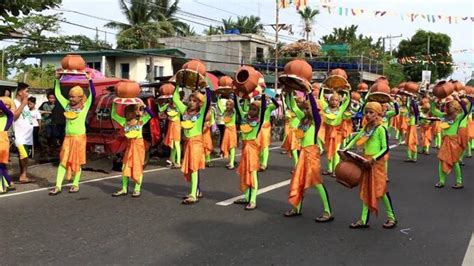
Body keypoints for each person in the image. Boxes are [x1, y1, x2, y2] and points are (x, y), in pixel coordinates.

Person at [343, 102, 397, 229]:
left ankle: (391, 218)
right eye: (366, 112)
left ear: (378, 114)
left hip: (377, 163)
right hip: (365, 162)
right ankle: (363, 219)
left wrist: (373, 158)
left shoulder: (381, 129)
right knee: (366, 189)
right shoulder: (366, 127)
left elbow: (385, 148)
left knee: (381, 190)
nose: (367, 115)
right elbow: (356, 139)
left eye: (371, 112)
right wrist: (345, 149)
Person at [283, 91, 333, 222]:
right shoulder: (303, 120)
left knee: (317, 182)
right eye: (304, 108)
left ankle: (328, 212)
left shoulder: (317, 121)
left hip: (312, 154)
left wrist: (310, 92)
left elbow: (315, 113)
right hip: (302, 153)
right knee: (298, 180)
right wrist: (288, 92)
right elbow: (293, 107)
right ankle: (296, 208)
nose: (305, 110)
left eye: (308, 108)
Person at [49, 75, 95, 195]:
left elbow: (93, 94)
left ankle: (75, 184)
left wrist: (89, 80)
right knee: (63, 161)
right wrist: (57, 79)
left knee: (77, 161)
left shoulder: (85, 107)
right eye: (69, 96)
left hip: (80, 138)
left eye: (73, 97)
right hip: (68, 139)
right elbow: (58, 93)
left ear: (80, 98)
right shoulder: (67, 105)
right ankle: (58, 186)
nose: (70, 99)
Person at [172, 86, 211, 204]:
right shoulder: (184, 110)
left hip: (197, 142)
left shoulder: (202, 112)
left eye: (195, 101)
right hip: (188, 143)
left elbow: (208, 101)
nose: (191, 102)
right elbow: (175, 98)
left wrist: (207, 88)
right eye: (190, 100)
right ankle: (197, 190)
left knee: (194, 168)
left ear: (200, 103)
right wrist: (177, 85)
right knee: (192, 168)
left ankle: (193, 194)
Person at [111, 102, 153, 197]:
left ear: (135, 113)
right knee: (124, 167)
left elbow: (152, 115)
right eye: (127, 112)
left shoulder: (141, 120)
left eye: (130, 112)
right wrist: (114, 103)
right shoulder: (124, 121)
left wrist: (145, 107)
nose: (128, 114)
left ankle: (137, 189)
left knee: (138, 167)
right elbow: (113, 115)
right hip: (129, 146)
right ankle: (124, 188)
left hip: (138, 145)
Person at [233, 93, 267, 210]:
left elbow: (263, 111)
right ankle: (247, 197)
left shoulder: (259, 121)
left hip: (252, 151)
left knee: (253, 175)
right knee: (244, 173)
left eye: (254, 109)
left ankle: (253, 200)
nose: (250, 111)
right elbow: (237, 106)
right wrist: (235, 93)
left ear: (258, 112)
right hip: (244, 150)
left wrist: (262, 94)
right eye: (250, 109)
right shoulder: (244, 118)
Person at [430, 96, 469, 189]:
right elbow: (434, 111)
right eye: (446, 106)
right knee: (442, 160)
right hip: (445, 141)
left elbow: (466, 112)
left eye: (448, 106)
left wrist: (459, 100)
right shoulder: (443, 116)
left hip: (453, 141)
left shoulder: (458, 117)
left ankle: (459, 182)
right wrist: (433, 102)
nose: (446, 108)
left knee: (455, 162)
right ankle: (441, 181)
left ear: (455, 108)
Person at [320, 91, 350, 176]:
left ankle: (335, 170)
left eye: (336, 100)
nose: (334, 102)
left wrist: (348, 91)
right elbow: (321, 98)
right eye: (332, 100)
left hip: (337, 133)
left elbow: (347, 101)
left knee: (336, 151)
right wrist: (322, 88)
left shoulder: (341, 109)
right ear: (329, 101)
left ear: (339, 101)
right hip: (328, 132)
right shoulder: (326, 108)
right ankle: (329, 169)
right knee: (329, 150)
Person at [12, 82, 35, 183]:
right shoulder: (14, 103)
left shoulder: (25, 104)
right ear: (20, 92)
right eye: (27, 91)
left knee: (26, 157)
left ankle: (23, 175)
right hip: (19, 136)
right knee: (23, 155)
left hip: (28, 137)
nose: (28, 93)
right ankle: (22, 176)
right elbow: (14, 116)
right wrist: (23, 104)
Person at [158, 98, 181, 168]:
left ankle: (178, 162)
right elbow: (160, 109)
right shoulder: (168, 105)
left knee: (177, 143)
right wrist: (159, 103)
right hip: (171, 124)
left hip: (176, 124)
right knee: (172, 143)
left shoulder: (178, 105)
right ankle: (172, 160)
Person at [258, 96, 279, 171]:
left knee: (265, 145)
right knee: (259, 146)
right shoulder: (257, 109)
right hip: (258, 128)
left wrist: (271, 98)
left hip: (266, 128)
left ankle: (264, 163)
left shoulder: (269, 108)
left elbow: (277, 105)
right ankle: (260, 162)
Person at [0, 97, 14, 193]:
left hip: (2, 141)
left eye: (6, 105)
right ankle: (9, 183)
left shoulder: (8, 116)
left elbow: (9, 113)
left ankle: (2, 187)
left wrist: (1, 103)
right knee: (1, 166)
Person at [218, 97, 237, 170]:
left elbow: (237, 105)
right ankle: (231, 161)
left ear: (233, 106)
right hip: (227, 130)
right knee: (227, 146)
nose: (228, 106)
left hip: (232, 130)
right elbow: (219, 106)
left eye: (230, 105)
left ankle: (232, 163)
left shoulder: (234, 111)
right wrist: (218, 98)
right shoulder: (225, 111)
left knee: (232, 146)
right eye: (227, 105)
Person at [404, 97, 419, 162]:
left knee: (413, 143)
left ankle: (414, 157)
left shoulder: (416, 116)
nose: (412, 108)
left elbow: (415, 108)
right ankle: (409, 157)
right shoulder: (409, 115)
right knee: (408, 143)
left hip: (413, 131)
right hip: (409, 130)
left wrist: (412, 100)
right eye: (411, 108)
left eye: (412, 107)